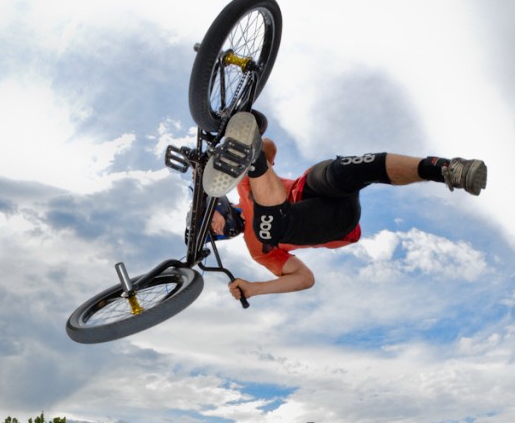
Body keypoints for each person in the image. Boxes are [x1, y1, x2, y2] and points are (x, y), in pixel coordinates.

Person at [204, 110, 487, 301]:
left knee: (340, 170)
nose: (217, 231)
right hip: (333, 220)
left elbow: (270, 145)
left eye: (211, 224)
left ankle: (445, 169)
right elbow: (304, 278)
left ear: (218, 204)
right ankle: (254, 163)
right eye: (215, 235)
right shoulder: (257, 250)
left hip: (316, 186)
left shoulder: (242, 184)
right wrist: (254, 289)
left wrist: (247, 142)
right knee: (267, 231)